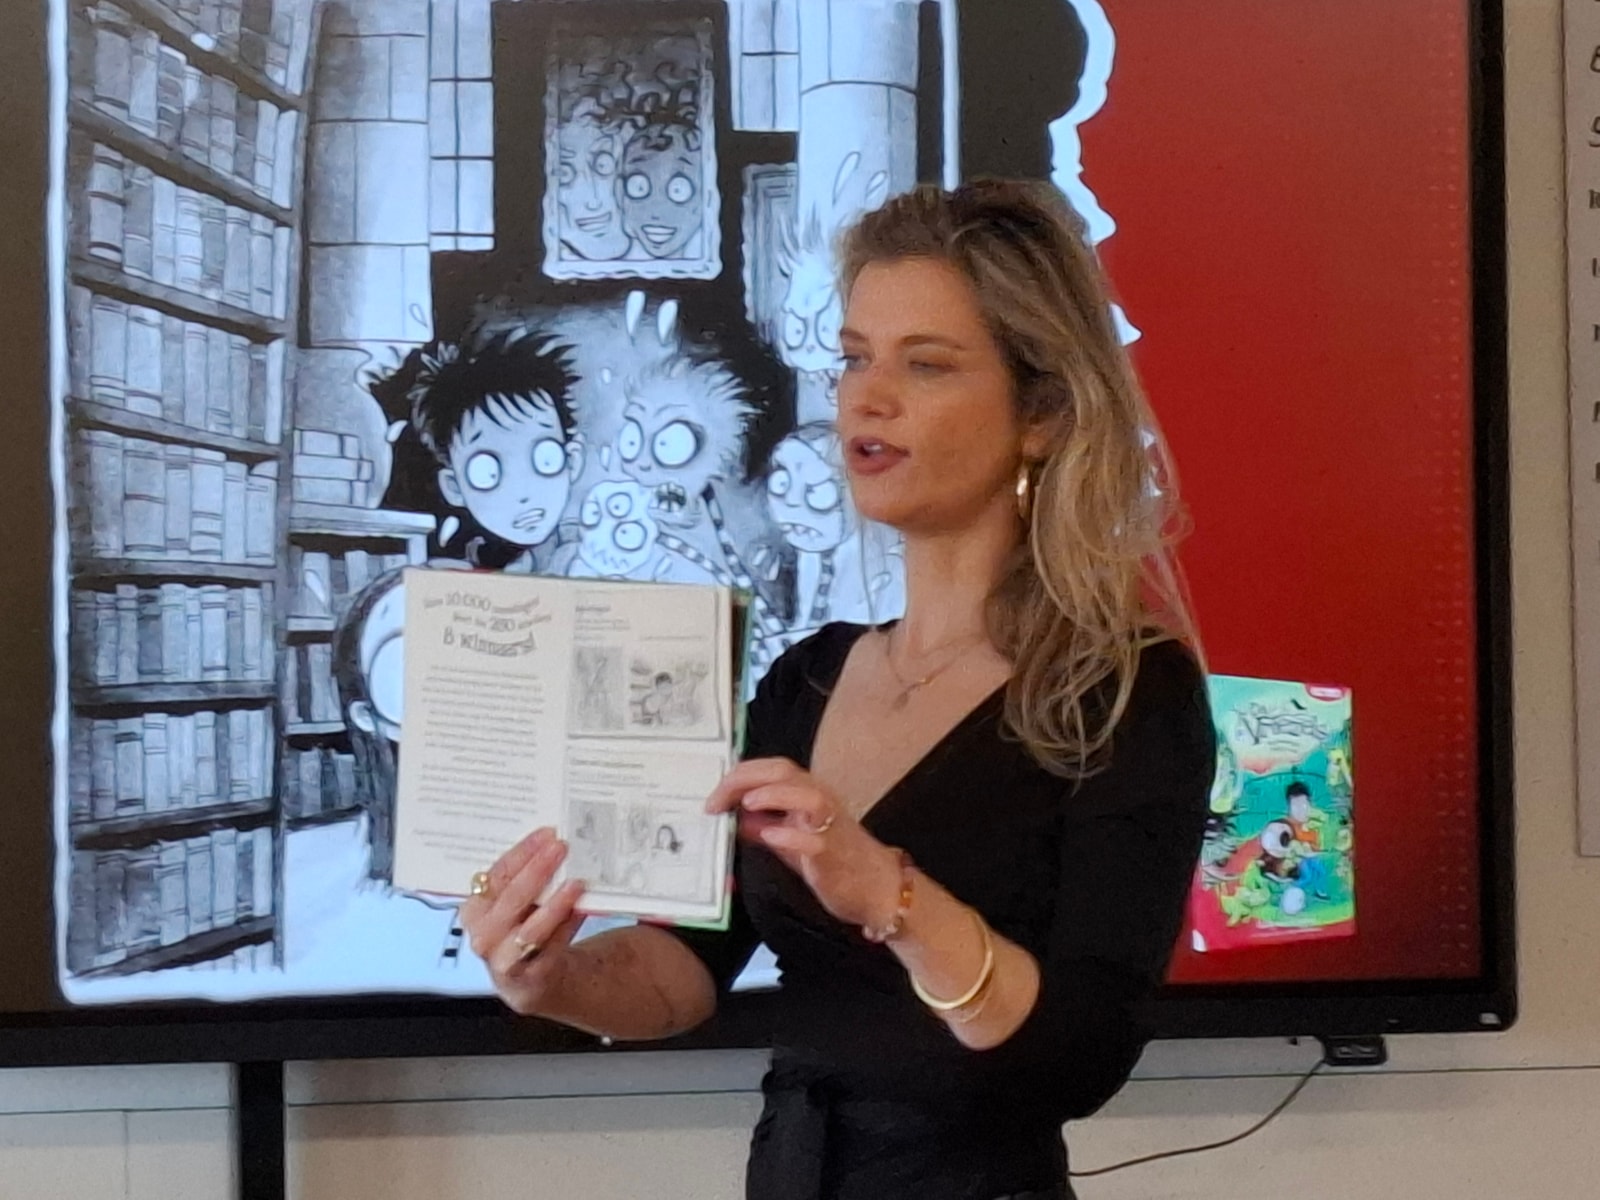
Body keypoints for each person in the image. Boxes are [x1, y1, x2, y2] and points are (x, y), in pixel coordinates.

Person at [459, 179, 1214, 1200]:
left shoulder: (1124, 691)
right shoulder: (805, 678)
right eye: (856, 357)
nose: (866, 398)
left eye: (926, 364)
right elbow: (686, 971)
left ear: (1040, 413)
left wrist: (892, 898)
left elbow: (1080, 1061)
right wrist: (553, 977)